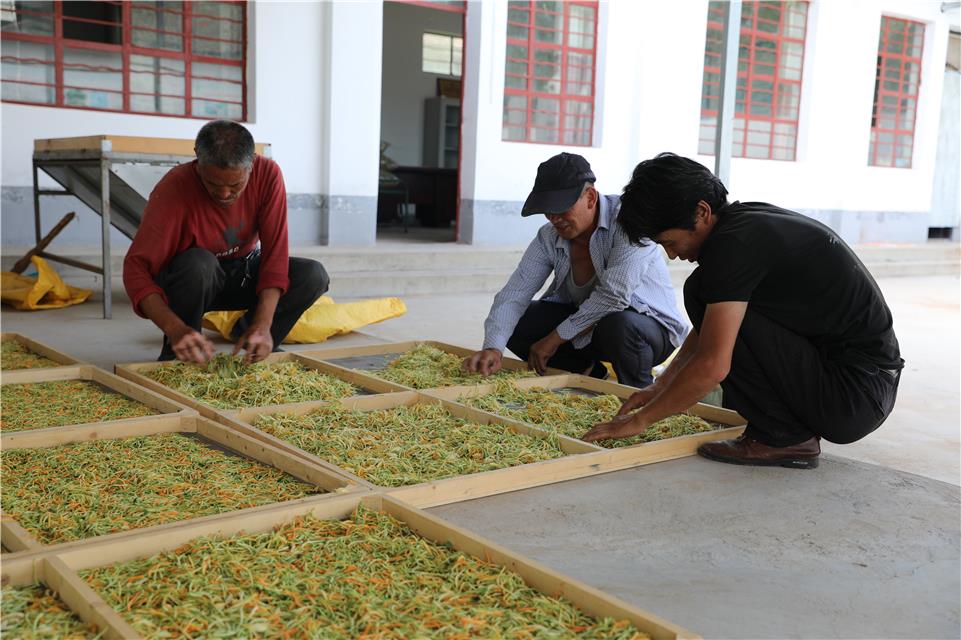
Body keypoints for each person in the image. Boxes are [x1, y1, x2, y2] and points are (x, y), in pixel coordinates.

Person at [583, 153, 903, 469]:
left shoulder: (734, 246)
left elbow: (713, 364)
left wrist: (639, 422)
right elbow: (708, 332)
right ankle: (785, 431)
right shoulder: (742, 226)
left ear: (702, 212)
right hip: (862, 386)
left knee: (703, 294)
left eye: (669, 241)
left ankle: (783, 437)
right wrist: (660, 385)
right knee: (703, 293)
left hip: (855, 395)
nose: (672, 254)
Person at [464, 152, 688, 388]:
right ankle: (589, 373)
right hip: (587, 327)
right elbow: (515, 293)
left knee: (619, 325)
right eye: (548, 212)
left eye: (561, 209)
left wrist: (552, 340)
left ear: (590, 197)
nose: (554, 219)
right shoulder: (548, 237)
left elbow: (613, 296)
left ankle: (640, 393)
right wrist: (493, 347)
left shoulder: (630, 222)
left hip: (648, 330)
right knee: (520, 320)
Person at [123, 120, 329, 364]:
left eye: (235, 185)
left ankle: (257, 341)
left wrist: (263, 323)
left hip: (242, 271)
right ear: (197, 159)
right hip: (193, 281)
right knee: (199, 263)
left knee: (312, 274)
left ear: (251, 163)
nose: (223, 194)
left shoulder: (268, 174)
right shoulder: (174, 187)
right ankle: (182, 350)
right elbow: (136, 269)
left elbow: (275, 255)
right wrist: (175, 328)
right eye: (212, 183)